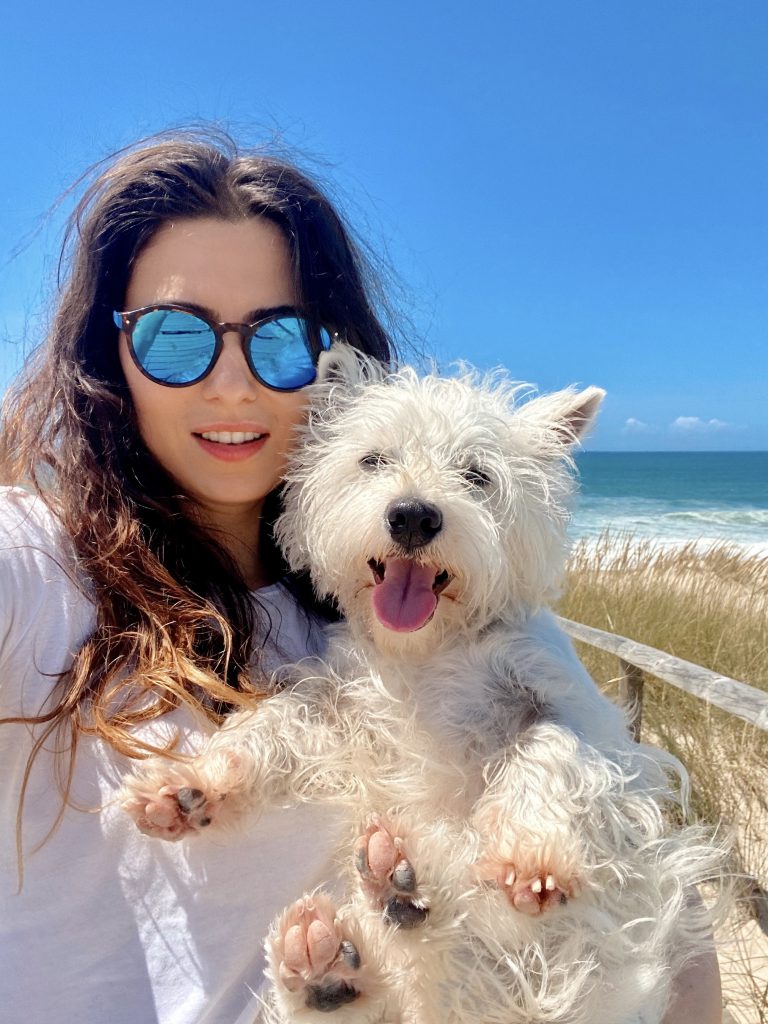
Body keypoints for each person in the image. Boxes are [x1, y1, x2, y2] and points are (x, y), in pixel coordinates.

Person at [0, 130, 722, 1024]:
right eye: (176, 337)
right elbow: (314, 721)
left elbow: (652, 876)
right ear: (109, 352)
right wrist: (230, 770)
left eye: (280, 339)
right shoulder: (29, 565)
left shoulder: (352, 617)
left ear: (324, 369)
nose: (232, 385)